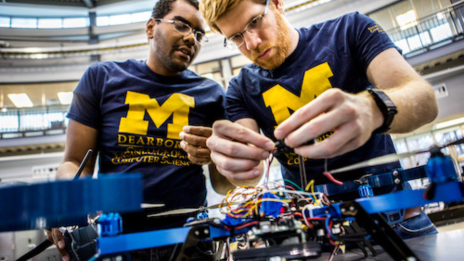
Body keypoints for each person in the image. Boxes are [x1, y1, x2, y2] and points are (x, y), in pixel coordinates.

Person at [200, 0, 439, 238]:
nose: (252, 43)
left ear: (276, 4)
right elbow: (251, 162)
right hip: (318, 236)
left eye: (255, 21)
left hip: (400, 225)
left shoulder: (349, 30)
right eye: (236, 38)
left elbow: (425, 100)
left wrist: (372, 108)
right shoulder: (240, 89)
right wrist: (235, 164)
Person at [46, 0, 227, 260]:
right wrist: (65, 200)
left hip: (189, 241)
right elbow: (75, 162)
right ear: (151, 27)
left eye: (199, 34)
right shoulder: (101, 78)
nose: (191, 38)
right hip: (117, 239)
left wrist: (218, 154)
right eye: (181, 25)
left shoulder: (212, 94)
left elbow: (223, 185)